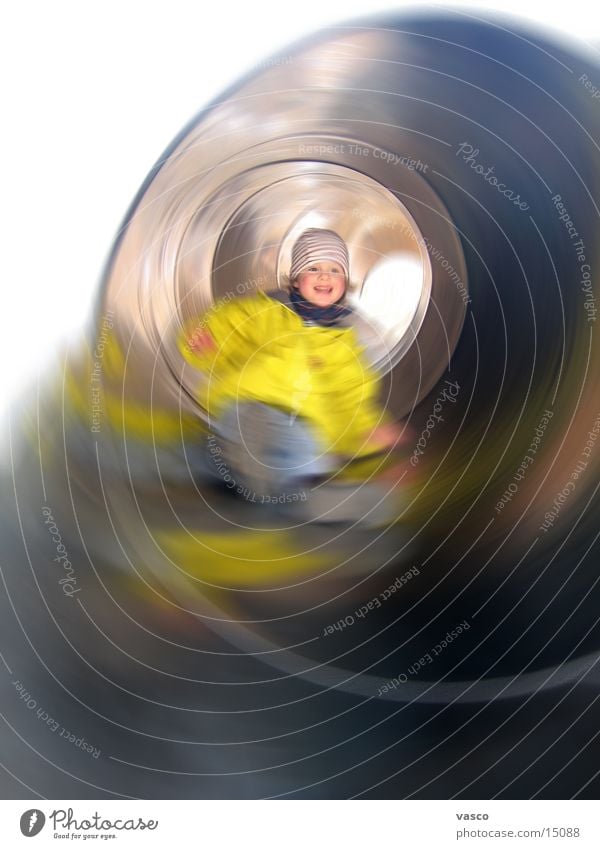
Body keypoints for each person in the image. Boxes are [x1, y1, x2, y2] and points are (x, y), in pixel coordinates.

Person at [178, 228, 402, 519]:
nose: (325, 276)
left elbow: (352, 398)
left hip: (304, 436)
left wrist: (369, 429)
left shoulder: (346, 346)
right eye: (313, 268)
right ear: (296, 279)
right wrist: (206, 339)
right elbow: (231, 325)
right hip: (255, 409)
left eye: (334, 270)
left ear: (346, 282)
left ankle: (225, 473)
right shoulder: (269, 312)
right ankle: (318, 501)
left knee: (295, 467)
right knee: (272, 465)